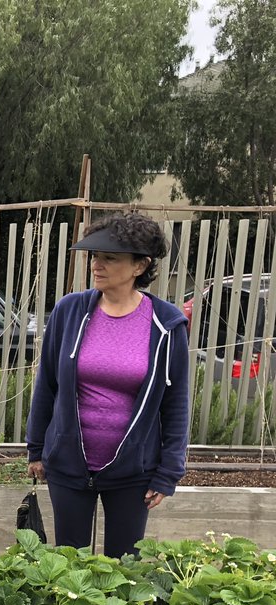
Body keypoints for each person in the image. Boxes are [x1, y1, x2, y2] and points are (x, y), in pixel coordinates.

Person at [26, 212, 189, 558]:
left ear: (140, 266)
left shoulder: (166, 325)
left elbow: (175, 403)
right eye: (95, 257)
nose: (96, 265)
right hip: (68, 464)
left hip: (133, 470)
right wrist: (37, 449)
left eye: (109, 258)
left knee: (125, 567)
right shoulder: (70, 311)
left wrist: (168, 472)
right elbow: (48, 385)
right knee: (69, 567)